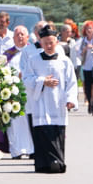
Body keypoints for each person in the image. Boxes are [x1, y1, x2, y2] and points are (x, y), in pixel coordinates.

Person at [23, 26, 78, 173]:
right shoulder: (33, 60)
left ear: (57, 42)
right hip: (40, 103)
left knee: (57, 133)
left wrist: (71, 99)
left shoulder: (65, 61)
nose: (48, 46)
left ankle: (58, 163)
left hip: (58, 103)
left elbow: (72, 82)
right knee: (41, 133)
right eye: (45, 42)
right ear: (40, 42)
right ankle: (43, 165)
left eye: (51, 42)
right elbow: (26, 79)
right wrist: (42, 81)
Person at [5, 26, 35, 159]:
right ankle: (17, 150)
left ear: (27, 37)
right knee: (15, 124)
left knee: (30, 122)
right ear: (13, 38)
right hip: (14, 93)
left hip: (30, 93)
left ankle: (32, 149)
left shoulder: (34, 52)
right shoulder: (8, 54)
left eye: (23, 34)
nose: (20, 36)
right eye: (17, 34)